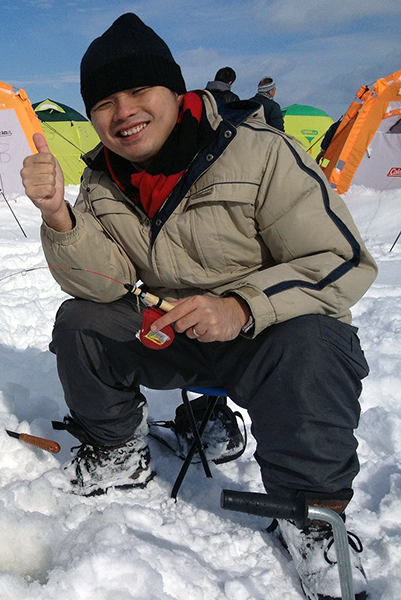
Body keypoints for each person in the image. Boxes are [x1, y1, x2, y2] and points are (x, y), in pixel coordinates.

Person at [20, 13, 375, 600]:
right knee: (82, 323)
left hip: (270, 336)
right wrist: (60, 214)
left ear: (175, 91)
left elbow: (339, 259)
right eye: (105, 101)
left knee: (316, 343)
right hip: (175, 331)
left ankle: (312, 516)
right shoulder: (104, 180)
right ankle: (118, 452)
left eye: (139, 91)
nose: (123, 111)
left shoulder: (260, 153)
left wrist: (241, 306)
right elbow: (103, 283)